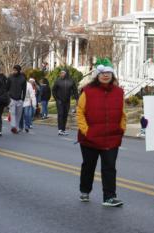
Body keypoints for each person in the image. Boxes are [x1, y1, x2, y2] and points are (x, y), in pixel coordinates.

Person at [77, 59, 126, 207]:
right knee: (88, 166)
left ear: (113, 75)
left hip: (112, 138)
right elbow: (80, 112)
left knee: (109, 167)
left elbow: (123, 113)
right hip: (90, 138)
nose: (106, 75)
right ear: (97, 75)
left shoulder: (119, 92)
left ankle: (109, 197)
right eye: (103, 73)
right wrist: (87, 131)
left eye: (109, 73)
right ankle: (85, 191)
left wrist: (122, 129)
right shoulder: (87, 91)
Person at [52, 69, 78, 136]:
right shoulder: (58, 81)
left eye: (63, 73)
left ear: (66, 74)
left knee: (65, 115)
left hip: (67, 101)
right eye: (61, 73)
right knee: (60, 114)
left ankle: (63, 129)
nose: (61, 74)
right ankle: (60, 130)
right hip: (59, 100)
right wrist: (56, 99)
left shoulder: (71, 81)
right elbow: (53, 90)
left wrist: (77, 99)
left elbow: (75, 90)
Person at [6, 65, 27, 134]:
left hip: (19, 99)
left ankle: (16, 127)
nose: (14, 71)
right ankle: (13, 126)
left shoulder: (23, 78)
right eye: (13, 70)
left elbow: (24, 89)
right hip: (11, 98)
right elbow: (7, 88)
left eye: (16, 70)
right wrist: (7, 97)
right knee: (13, 113)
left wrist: (22, 99)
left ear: (19, 71)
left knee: (18, 114)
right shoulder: (10, 77)